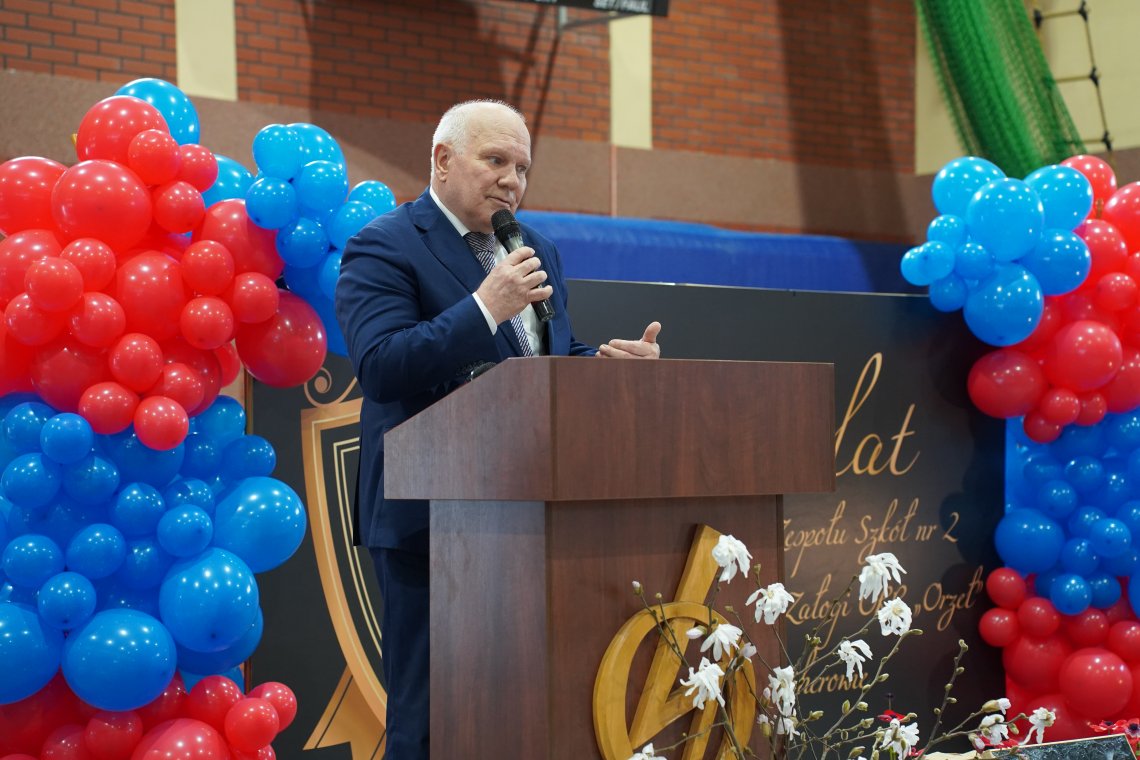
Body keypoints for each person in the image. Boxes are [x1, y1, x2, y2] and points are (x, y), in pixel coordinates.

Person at [334, 99, 660, 760]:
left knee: (520, 711)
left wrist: (602, 365)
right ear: (443, 160)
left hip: (530, 512)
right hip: (430, 521)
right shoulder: (384, 244)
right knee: (429, 719)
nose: (512, 180)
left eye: (523, 167)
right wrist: (485, 305)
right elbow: (382, 366)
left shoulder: (535, 250)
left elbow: (541, 361)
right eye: (495, 160)